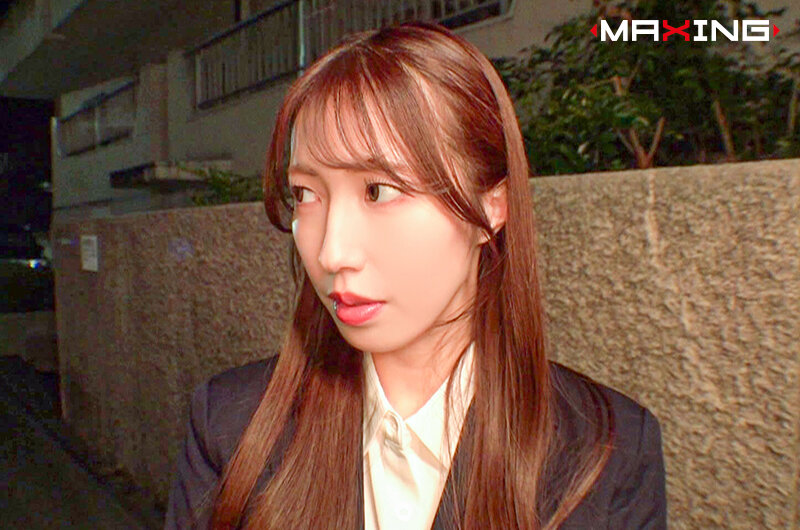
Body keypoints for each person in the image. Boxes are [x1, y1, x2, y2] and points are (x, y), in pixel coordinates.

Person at [165, 21, 667, 530]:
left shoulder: (607, 452)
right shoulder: (230, 427)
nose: (333, 252)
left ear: (491, 206)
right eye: (305, 194)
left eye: (379, 190)